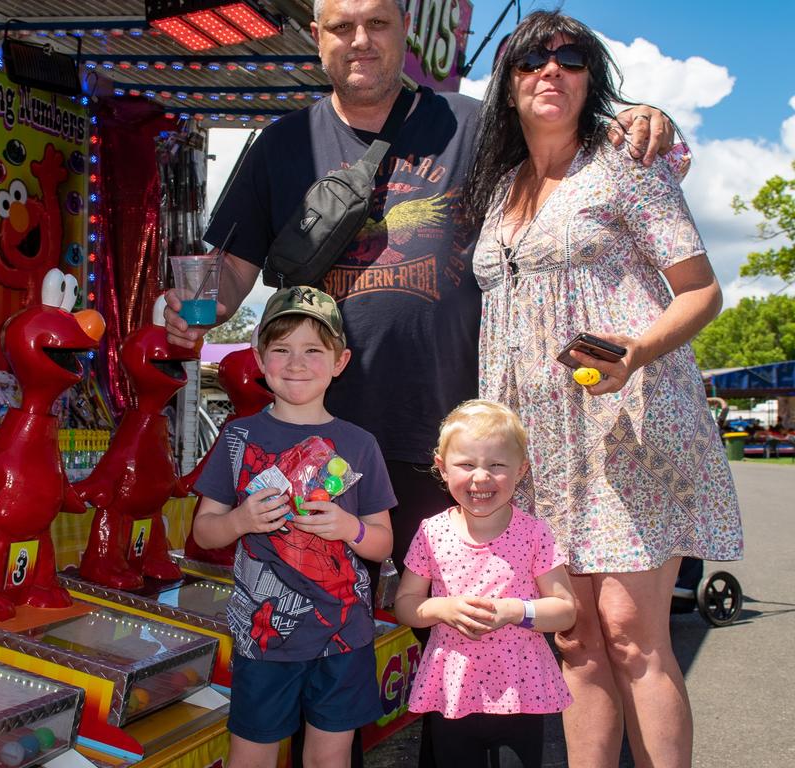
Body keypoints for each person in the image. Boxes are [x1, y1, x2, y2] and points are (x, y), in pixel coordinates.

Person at [167, 0, 674, 604]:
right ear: (317, 38)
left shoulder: (476, 126)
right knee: (322, 616)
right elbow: (231, 278)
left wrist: (637, 116)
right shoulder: (281, 145)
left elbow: (566, 131)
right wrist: (194, 310)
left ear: (403, 31)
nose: (361, 40)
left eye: (377, 24)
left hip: (454, 446)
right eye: (342, 28)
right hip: (327, 442)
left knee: (462, 627)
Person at [464, 11, 743, 767]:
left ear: (591, 78)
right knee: (576, 638)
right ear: (509, 85)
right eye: (531, 61)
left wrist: (637, 348)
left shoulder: (623, 161)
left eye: (571, 58)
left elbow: (699, 290)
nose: (551, 71)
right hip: (538, 444)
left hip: (625, 424)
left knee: (630, 633)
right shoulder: (498, 188)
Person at [192, 286, 395, 768]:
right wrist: (240, 520)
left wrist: (349, 527)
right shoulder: (238, 438)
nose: (296, 363)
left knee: (330, 756)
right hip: (263, 638)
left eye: (313, 350)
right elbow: (204, 533)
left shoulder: (360, 444)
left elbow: (382, 543)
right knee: (252, 754)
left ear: (340, 361)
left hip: (345, 636)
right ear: (261, 360)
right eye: (281, 349)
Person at [394, 400, 576, 767]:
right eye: (466, 464)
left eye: (497, 465)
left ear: (521, 470)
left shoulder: (534, 533)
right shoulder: (432, 533)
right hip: (452, 689)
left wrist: (516, 610)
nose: (480, 477)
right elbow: (406, 604)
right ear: (441, 469)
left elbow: (565, 610)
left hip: (521, 690)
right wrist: (440, 608)